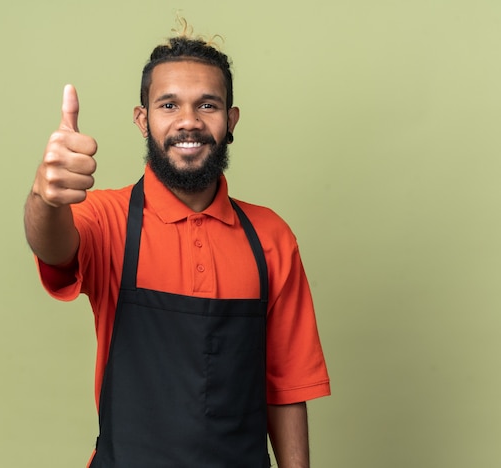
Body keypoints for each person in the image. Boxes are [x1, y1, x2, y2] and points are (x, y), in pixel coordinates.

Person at [24, 26, 330, 468]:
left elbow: (287, 388)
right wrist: (45, 197)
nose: (189, 120)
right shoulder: (107, 219)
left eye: (207, 104)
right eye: (169, 105)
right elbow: (52, 246)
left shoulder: (271, 237)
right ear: (143, 119)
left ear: (231, 121)